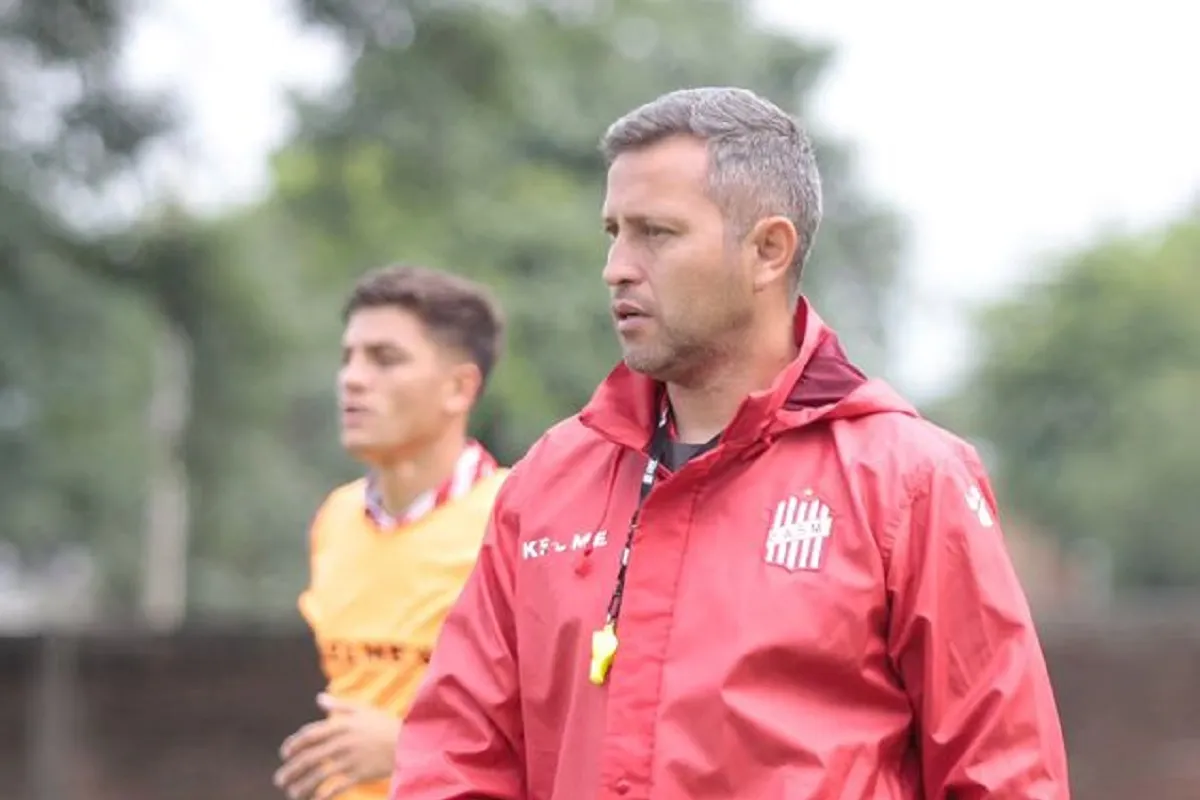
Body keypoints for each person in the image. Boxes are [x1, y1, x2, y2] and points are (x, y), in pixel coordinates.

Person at [388, 88, 1070, 799]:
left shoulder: (908, 480)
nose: (616, 266)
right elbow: (455, 760)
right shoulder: (546, 483)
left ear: (768, 250)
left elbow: (1005, 777)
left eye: (656, 233)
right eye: (613, 231)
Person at [274, 264, 508, 800]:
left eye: (385, 359)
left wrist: (408, 749)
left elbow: (565, 728)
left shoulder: (518, 519)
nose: (352, 378)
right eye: (347, 357)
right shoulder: (335, 519)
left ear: (459, 388)